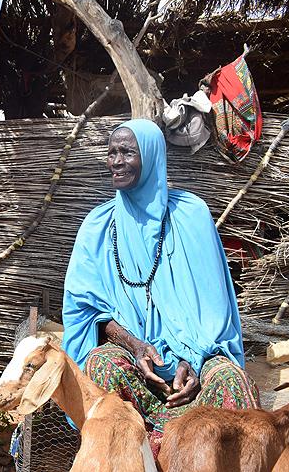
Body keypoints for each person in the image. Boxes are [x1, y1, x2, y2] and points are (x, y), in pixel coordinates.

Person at [62, 119, 258, 456]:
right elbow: (87, 309)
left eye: (127, 152)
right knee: (100, 366)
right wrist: (136, 345)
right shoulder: (97, 226)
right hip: (135, 363)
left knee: (231, 380)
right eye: (112, 153)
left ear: (152, 157)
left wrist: (193, 359)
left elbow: (215, 310)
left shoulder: (191, 215)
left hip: (195, 362)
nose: (116, 161)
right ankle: (133, 459)